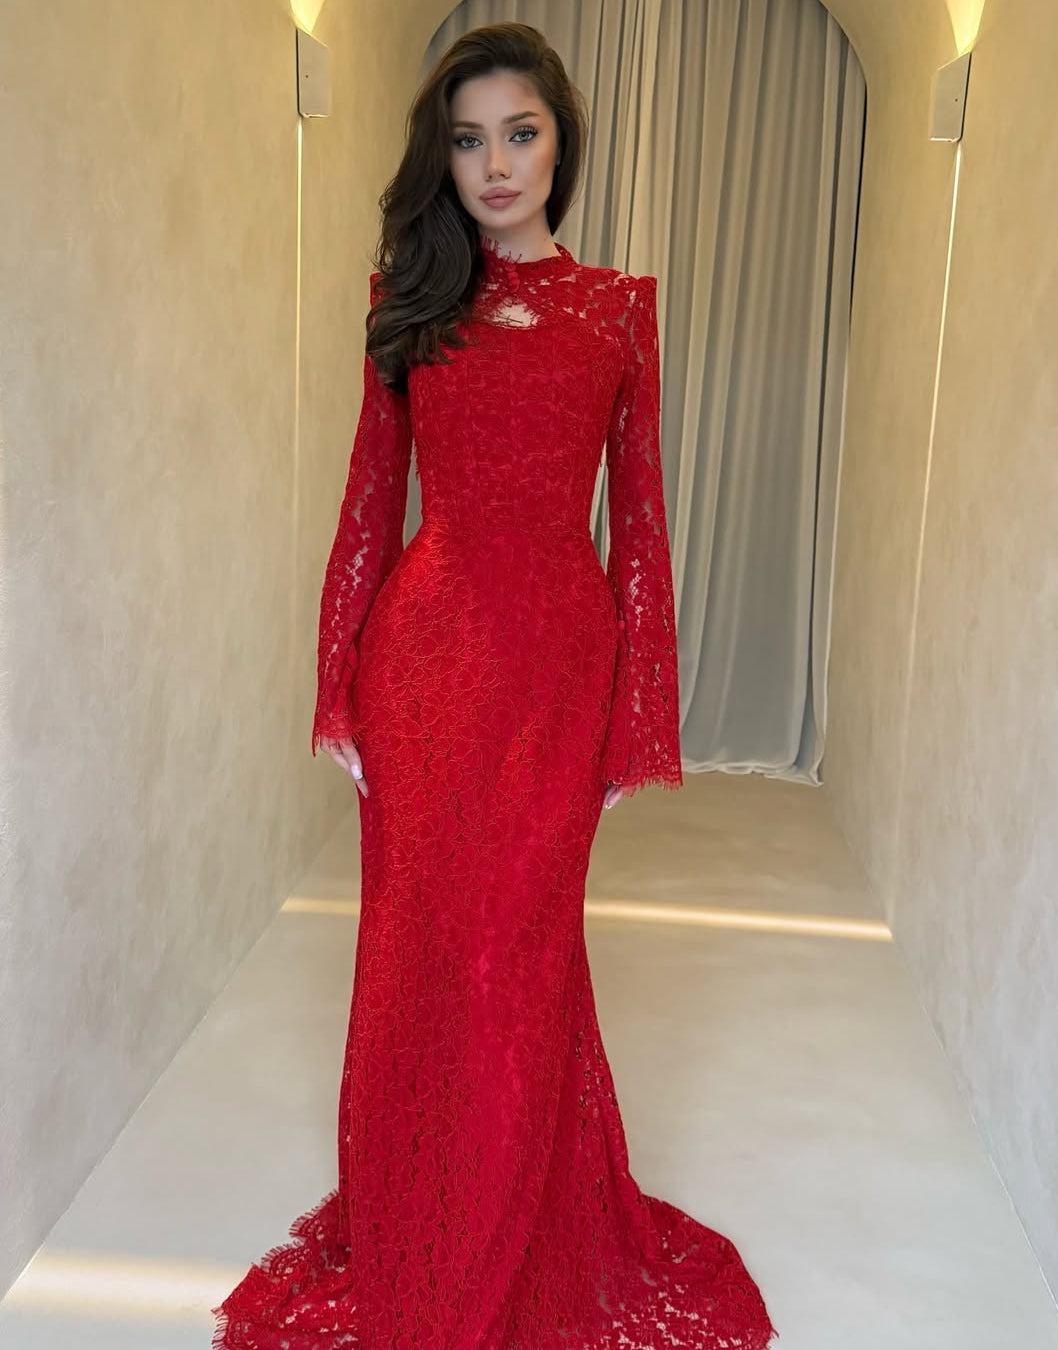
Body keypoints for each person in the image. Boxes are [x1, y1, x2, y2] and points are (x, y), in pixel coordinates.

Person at [212, 20, 777, 1350]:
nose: (496, 163)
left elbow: (642, 523)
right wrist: (336, 683)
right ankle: (420, 1208)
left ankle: (519, 1214)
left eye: (520, 133)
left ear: (561, 142)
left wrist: (639, 716)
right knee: (419, 946)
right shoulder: (406, 304)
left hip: (556, 669)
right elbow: (369, 499)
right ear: (444, 158)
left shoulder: (617, 307)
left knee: (517, 946)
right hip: (423, 663)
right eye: (468, 141)